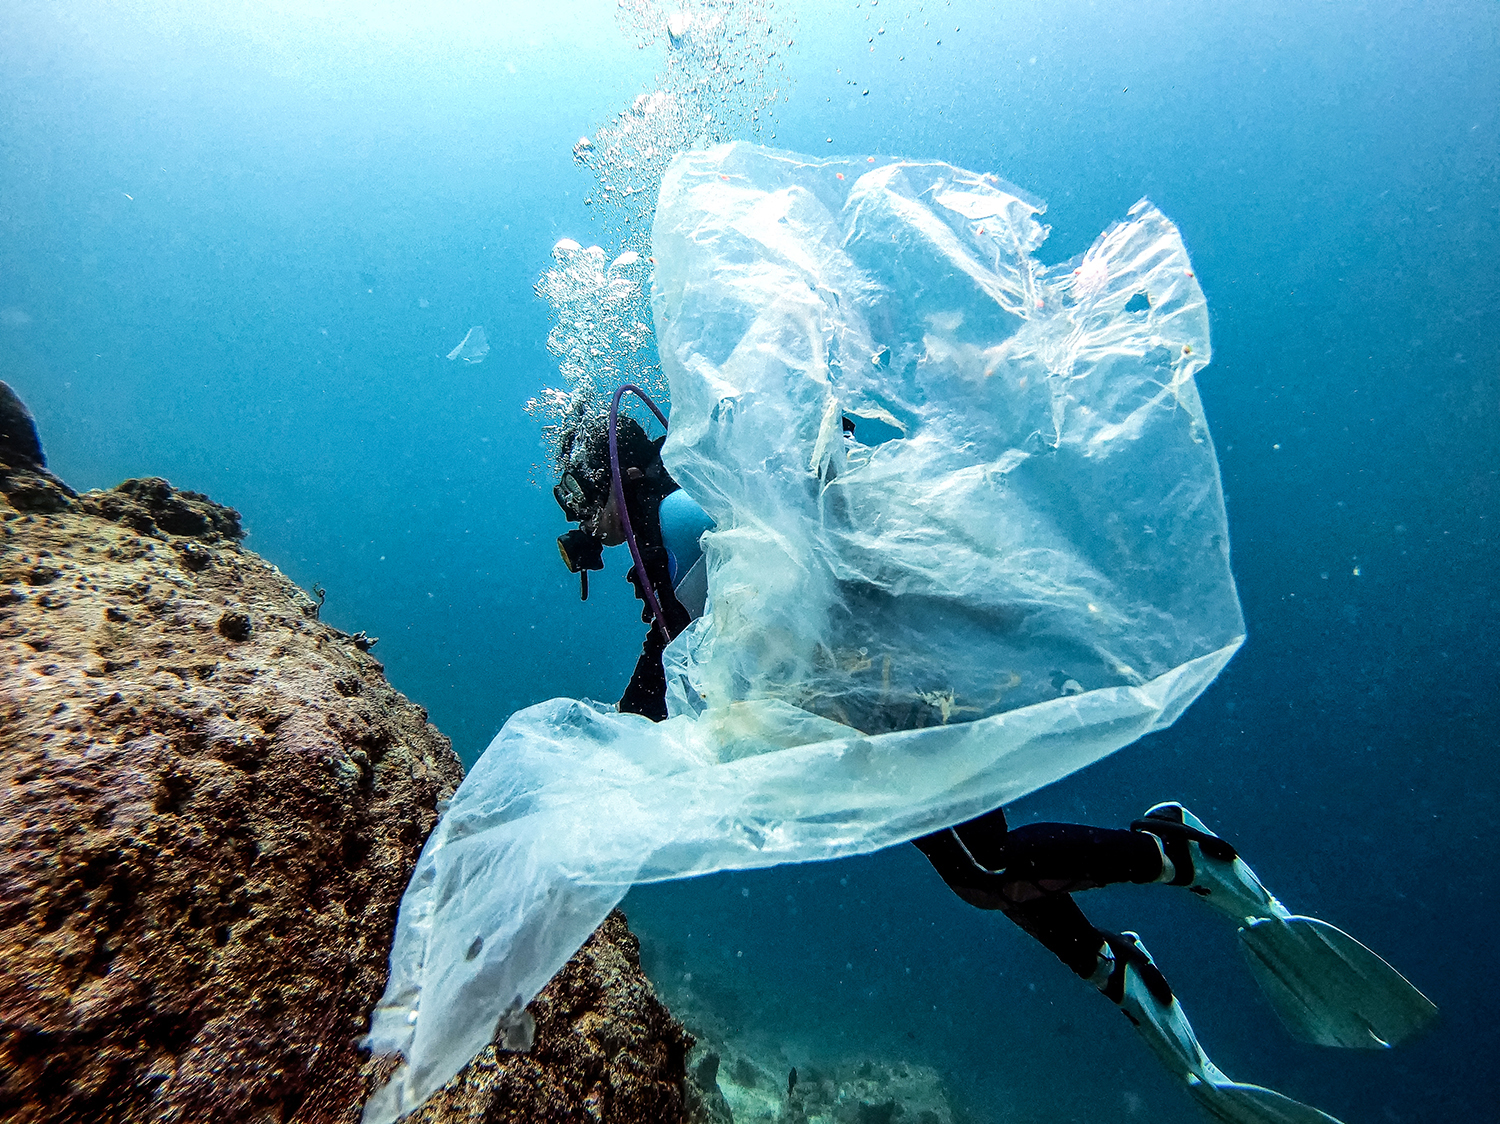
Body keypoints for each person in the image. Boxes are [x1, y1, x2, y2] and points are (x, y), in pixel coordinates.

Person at [552, 402, 1436, 1124]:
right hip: (879, 702)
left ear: (610, 476)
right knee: (983, 872)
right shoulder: (690, 501)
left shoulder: (678, 514)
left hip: (892, 689)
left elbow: (680, 654)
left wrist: (600, 755)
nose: (582, 525)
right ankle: (1120, 970)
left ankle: (1181, 854)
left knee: (985, 871)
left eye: (579, 500)